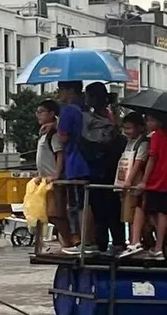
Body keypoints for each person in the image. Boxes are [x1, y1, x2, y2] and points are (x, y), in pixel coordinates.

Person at [122, 115, 167, 259]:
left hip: (156, 180)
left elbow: (152, 159)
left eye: (151, 120)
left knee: (141, 207)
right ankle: (159, 247)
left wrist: (144, 180)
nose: (148, 123)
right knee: (161, 213)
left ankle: (136, 242)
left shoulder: (156, 136)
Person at [55, 81, 98, 255]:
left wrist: (57, 127)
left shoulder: (68, 110)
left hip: (76, 163)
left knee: (80, 204)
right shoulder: (88, 108)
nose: (59, 94)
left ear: (70, 90)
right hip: (92, 162)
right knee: (88, 203)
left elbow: (63, 137)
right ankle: (90, 240)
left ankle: (85, 242)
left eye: (61, 90)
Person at [85, 82, 125, 253]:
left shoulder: (98, 119)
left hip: (103, 168)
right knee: (108, 208)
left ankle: (109, 242)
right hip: (109, 168)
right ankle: (114, 241)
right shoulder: (109, 116)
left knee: (104, 208)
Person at [34, 99, 73, 252]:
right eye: (37, 112)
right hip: (45, 180)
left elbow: (60, 154)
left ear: (51, 114)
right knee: (49, 214)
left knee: (57, 213)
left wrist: (56, 174)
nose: (38, 115)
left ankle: (68, 242)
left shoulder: (54, 134)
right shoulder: (43, 132)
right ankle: (65, 242)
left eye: (41, 111)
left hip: (54, 180)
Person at [117, 112, 150, 233]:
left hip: (135, 182)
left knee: (136, 213)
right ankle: (133, 241)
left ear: (140, 128)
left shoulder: (144, 143)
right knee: (129, 216)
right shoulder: (129, 142)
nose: (126, 131)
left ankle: (137, 242)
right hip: (127, 183)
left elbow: (138, 163)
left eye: (129, 128)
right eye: (124, 128)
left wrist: (129, 180)